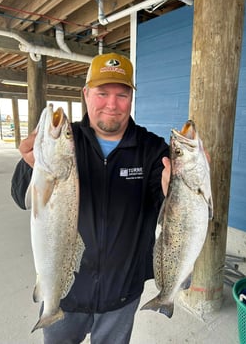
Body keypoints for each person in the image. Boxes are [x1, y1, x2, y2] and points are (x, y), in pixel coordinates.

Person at [11, 52, 171, 344]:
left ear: (131, 99)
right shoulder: (65, 139)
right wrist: (30, 166)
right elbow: (21, 197)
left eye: (122, 95)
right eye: (102, 93)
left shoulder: (152, 149)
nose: (112, 104)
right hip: (65, 290)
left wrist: (173, 190)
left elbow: (166, 212)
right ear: (85, 94)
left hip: (121, 292)